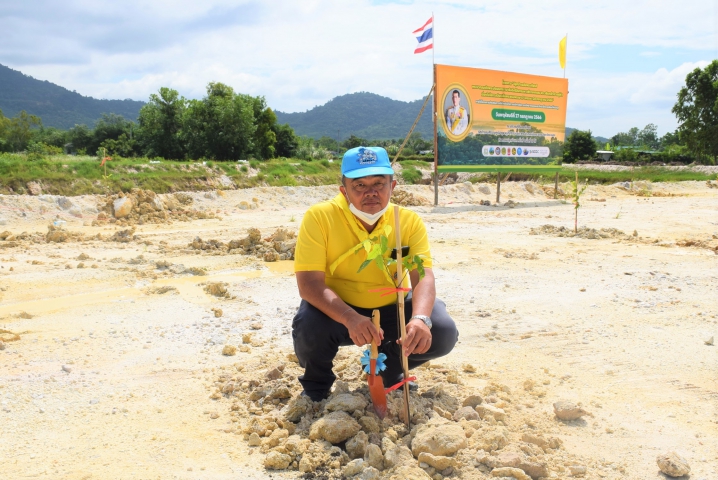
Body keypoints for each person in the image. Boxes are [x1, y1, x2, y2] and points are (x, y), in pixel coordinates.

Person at [292, 146, 459, 401]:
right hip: (338, 311)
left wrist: (420, 319)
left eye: (379, 183)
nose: (370, 192)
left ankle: (388, 368)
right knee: (309, 327)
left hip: (392, 309)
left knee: (442, 330)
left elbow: (423, 274)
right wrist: (349, 317)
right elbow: (309, 284)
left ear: (392, 187)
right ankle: (317, 385)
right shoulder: (320, 217)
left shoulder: (407, 221)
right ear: (344, 190)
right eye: (359, 185)